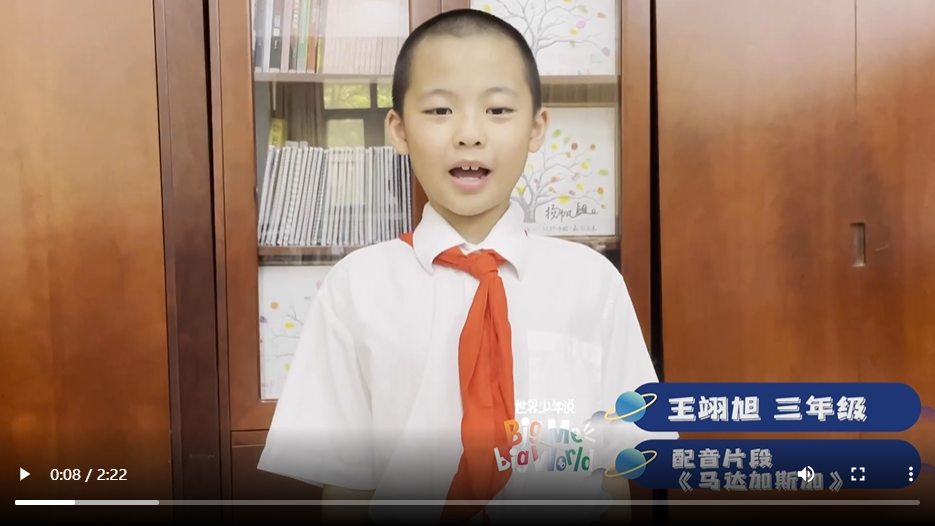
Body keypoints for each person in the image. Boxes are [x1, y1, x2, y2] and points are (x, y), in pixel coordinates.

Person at [258, 8, 676, 525]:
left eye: (498, 109)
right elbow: (344, 482)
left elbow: (617, 466)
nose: (469, 134)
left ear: (536, 127)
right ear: (398, 129)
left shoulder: (593, 283)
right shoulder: (356, 287)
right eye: (439, 110)